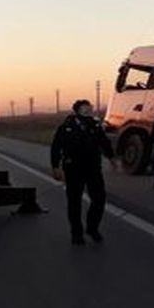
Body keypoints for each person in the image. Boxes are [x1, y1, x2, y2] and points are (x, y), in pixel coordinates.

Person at [50, 99, 114, 245]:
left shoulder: (95, 126)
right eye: (85, 108)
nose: (89, 110)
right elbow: (56, 147)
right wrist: (55, 166)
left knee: (99, 199)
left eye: (89, 107)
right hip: (73, 169)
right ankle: (76, 233)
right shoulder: (66, 127)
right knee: (74, 202)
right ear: (77, 110)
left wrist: (111, 158)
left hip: (93, 168)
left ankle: (92, 228)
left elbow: (104, 143)